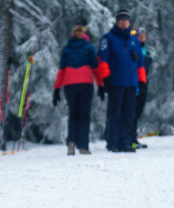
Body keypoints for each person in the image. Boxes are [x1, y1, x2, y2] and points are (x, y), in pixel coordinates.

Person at [96, 9, 146, 153]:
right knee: (115, 113)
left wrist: (142, 81)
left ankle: (125, 142)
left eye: (126, 20)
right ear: (117, 22)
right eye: (121, 20)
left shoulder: (134, 41)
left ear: (129, 22)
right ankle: (113, 142)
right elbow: (102, 60)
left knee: (128, 114)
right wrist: (106, 79)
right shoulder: (108, 38)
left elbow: (140, 63)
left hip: (131, 83)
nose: (124, 23)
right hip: (116, 83)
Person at [53, 25, 99, 155]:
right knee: (84, 114)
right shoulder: (89, 48)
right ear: (85, 35)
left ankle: (71, 143)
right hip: (85, 82)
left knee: (73, 114)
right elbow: (95, 67)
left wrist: (56, 88)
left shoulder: (67, 49)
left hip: (69, 83)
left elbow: (61, 70)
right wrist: (101, 84)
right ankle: (83, 146)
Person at [131, 27, 150, 149]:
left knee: (137, 112)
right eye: (139, 36)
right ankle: (130, 138)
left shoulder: (145, 50)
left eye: (143, 35)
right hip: (135, 83)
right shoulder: (133, 49)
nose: (142, 38)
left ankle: (133, 137)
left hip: (143, 83)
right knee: (132, 112)